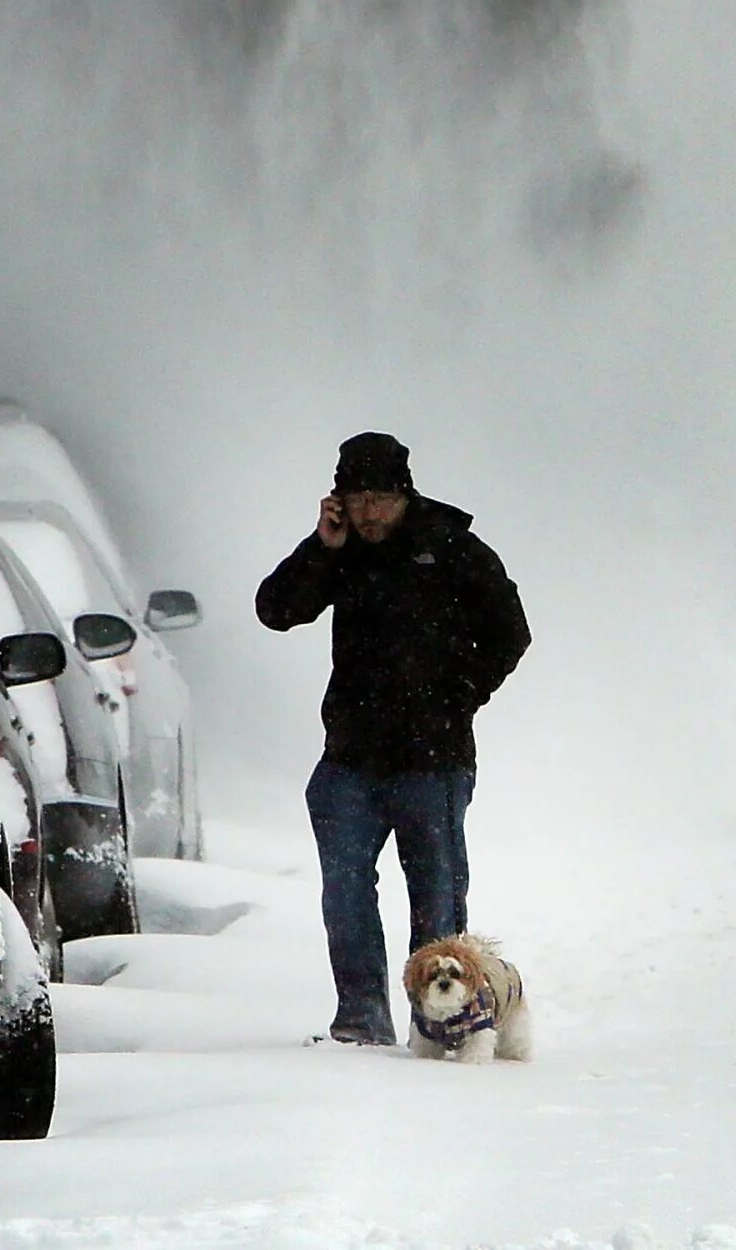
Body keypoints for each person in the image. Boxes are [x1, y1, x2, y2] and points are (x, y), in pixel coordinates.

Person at [256, 432, 531, 1046]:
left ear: (404, 495)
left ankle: (438, 1029)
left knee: (436, 895)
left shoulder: (452, 546)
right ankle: (360, 1022)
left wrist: (458, 697)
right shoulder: (341, 550)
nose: (370, 513)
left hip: (434, 762)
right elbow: (275, 610)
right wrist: (321, 549)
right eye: (358, 500)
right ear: (338, 502)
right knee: (346, 890)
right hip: (350, 758)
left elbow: (512, 631)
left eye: (381, 498)